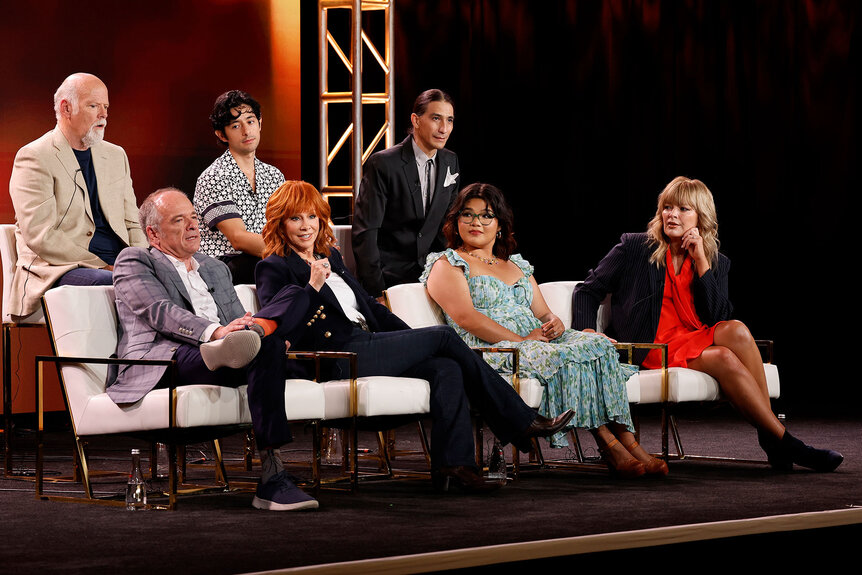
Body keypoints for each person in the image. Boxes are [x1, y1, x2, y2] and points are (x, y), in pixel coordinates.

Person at [255, 181, 575, 492]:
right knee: (444, 336)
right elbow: (279, 325)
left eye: (312, 216)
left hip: (368, 344)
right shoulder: (274, 267)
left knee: (445, 368)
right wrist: (312, 285)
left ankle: (454, 468)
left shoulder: (332, 259)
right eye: (295, 218)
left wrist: (414, 345)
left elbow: (371, 309)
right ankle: (520, 420)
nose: (305, 225)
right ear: (280, 223)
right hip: (337, 356)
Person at [572, 176, 843, 472]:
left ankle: (774, 439)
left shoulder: (715, 260)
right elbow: (587, 289)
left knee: (735, 331)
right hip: (652, 347)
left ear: (701, 218)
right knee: (727, 350)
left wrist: (701, 261)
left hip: (691, 339)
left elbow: (717, 317)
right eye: (667, 207)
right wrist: (587, 331)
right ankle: (784, 442)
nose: (671, 215)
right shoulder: (635, 247)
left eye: (683, 209)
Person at [422, 183, 665, 478]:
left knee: (597, 344)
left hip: (537, 340)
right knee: (560, 357)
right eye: (468, 215)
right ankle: (610, 445)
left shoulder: (516, 265)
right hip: (492, 349)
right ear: (455, 221)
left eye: (486, 216)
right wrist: (521, 339)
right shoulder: (448, 264)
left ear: (499, 225)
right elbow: (466, 317)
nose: (476, 222)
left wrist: (555, 321)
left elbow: (543, 312)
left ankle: (628, 441)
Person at [109, 187, 319, 511]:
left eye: (194, 217)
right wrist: (216, 332)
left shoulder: (214, 267)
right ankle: (274, 477)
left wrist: (246, 327)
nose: (193, 226)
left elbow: (236, 318)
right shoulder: (135, 260)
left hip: (230, 352)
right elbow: (160, 311)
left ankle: (256, 339)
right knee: (258, 347)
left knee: (294, 296)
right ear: (153, 233)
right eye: (179, 220)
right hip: (169, 359)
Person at [8, 72, 147, 318]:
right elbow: (41, 235)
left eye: (105, 107)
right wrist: (104, 265)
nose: (104, 114)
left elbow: (132, 222)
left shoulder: (116, 156)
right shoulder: (34, 156)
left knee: (192, 274)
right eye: (93, 106)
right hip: (60, 266)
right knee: (124, 284)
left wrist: (144, 261)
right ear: (66, 108)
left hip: (120, 263)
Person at [352, 89, 460, 301]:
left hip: (434, 279)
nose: (444, 129)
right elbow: (365, 233)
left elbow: (448, 227)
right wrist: (377, 292)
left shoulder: (451, 161)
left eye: (449, 120)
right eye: (436, 118)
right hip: (389, 280)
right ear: (416, 120)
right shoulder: (384, 163)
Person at [194, 90, 285, 284]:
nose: (246, 131)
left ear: (260, 123)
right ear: (222, 134)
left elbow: (285, 226)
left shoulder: (274, 175)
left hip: (266, 257)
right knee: (283, 266)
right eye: (236, 126)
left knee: (328, 259)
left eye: (250, 121)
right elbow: (238, 238)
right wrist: (292, 252)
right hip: (223, 264)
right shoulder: (214, 177)